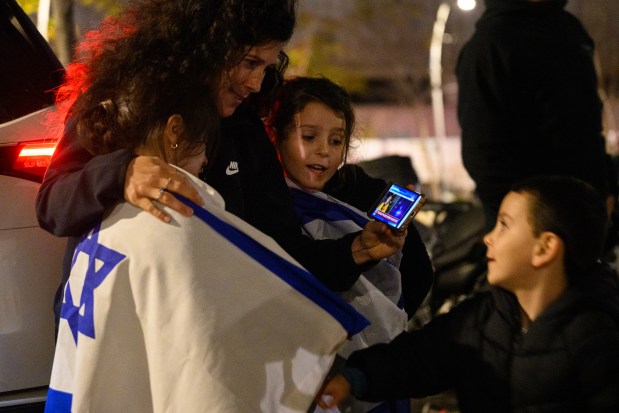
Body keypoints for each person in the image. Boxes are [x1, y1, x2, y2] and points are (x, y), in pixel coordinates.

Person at [43, 1, 369, 412]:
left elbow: (278, 247)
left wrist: (354, 252)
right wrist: (121, 172)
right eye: (250, 61)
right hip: (119, 339)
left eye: (267, 66)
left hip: (214, 354)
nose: (255, 82)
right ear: (206, 42)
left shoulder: (244, 124)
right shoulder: (122, 97)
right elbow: (54, 201)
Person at [317, 175, 619, 412]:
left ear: (544, 248)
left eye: (504, 225)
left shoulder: (598, 338)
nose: (488, 238)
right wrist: (352, 378)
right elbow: (420, 356)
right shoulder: (483, 318)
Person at [266, 76, 434, 413]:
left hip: (368, 363)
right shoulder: (265, 202)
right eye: (308, 137)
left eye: (336, 140)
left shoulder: (367, 193)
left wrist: (381, 324)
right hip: (298, 364)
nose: (323, 151)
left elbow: (419, 273)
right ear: (277, 136)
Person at [456, 0, 609, 232]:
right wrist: (521, 220)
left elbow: (587, 121)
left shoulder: (569, 29)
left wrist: (604, 186)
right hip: (531, 223)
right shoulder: (491, 43)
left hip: (585, 211)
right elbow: (483, 151)